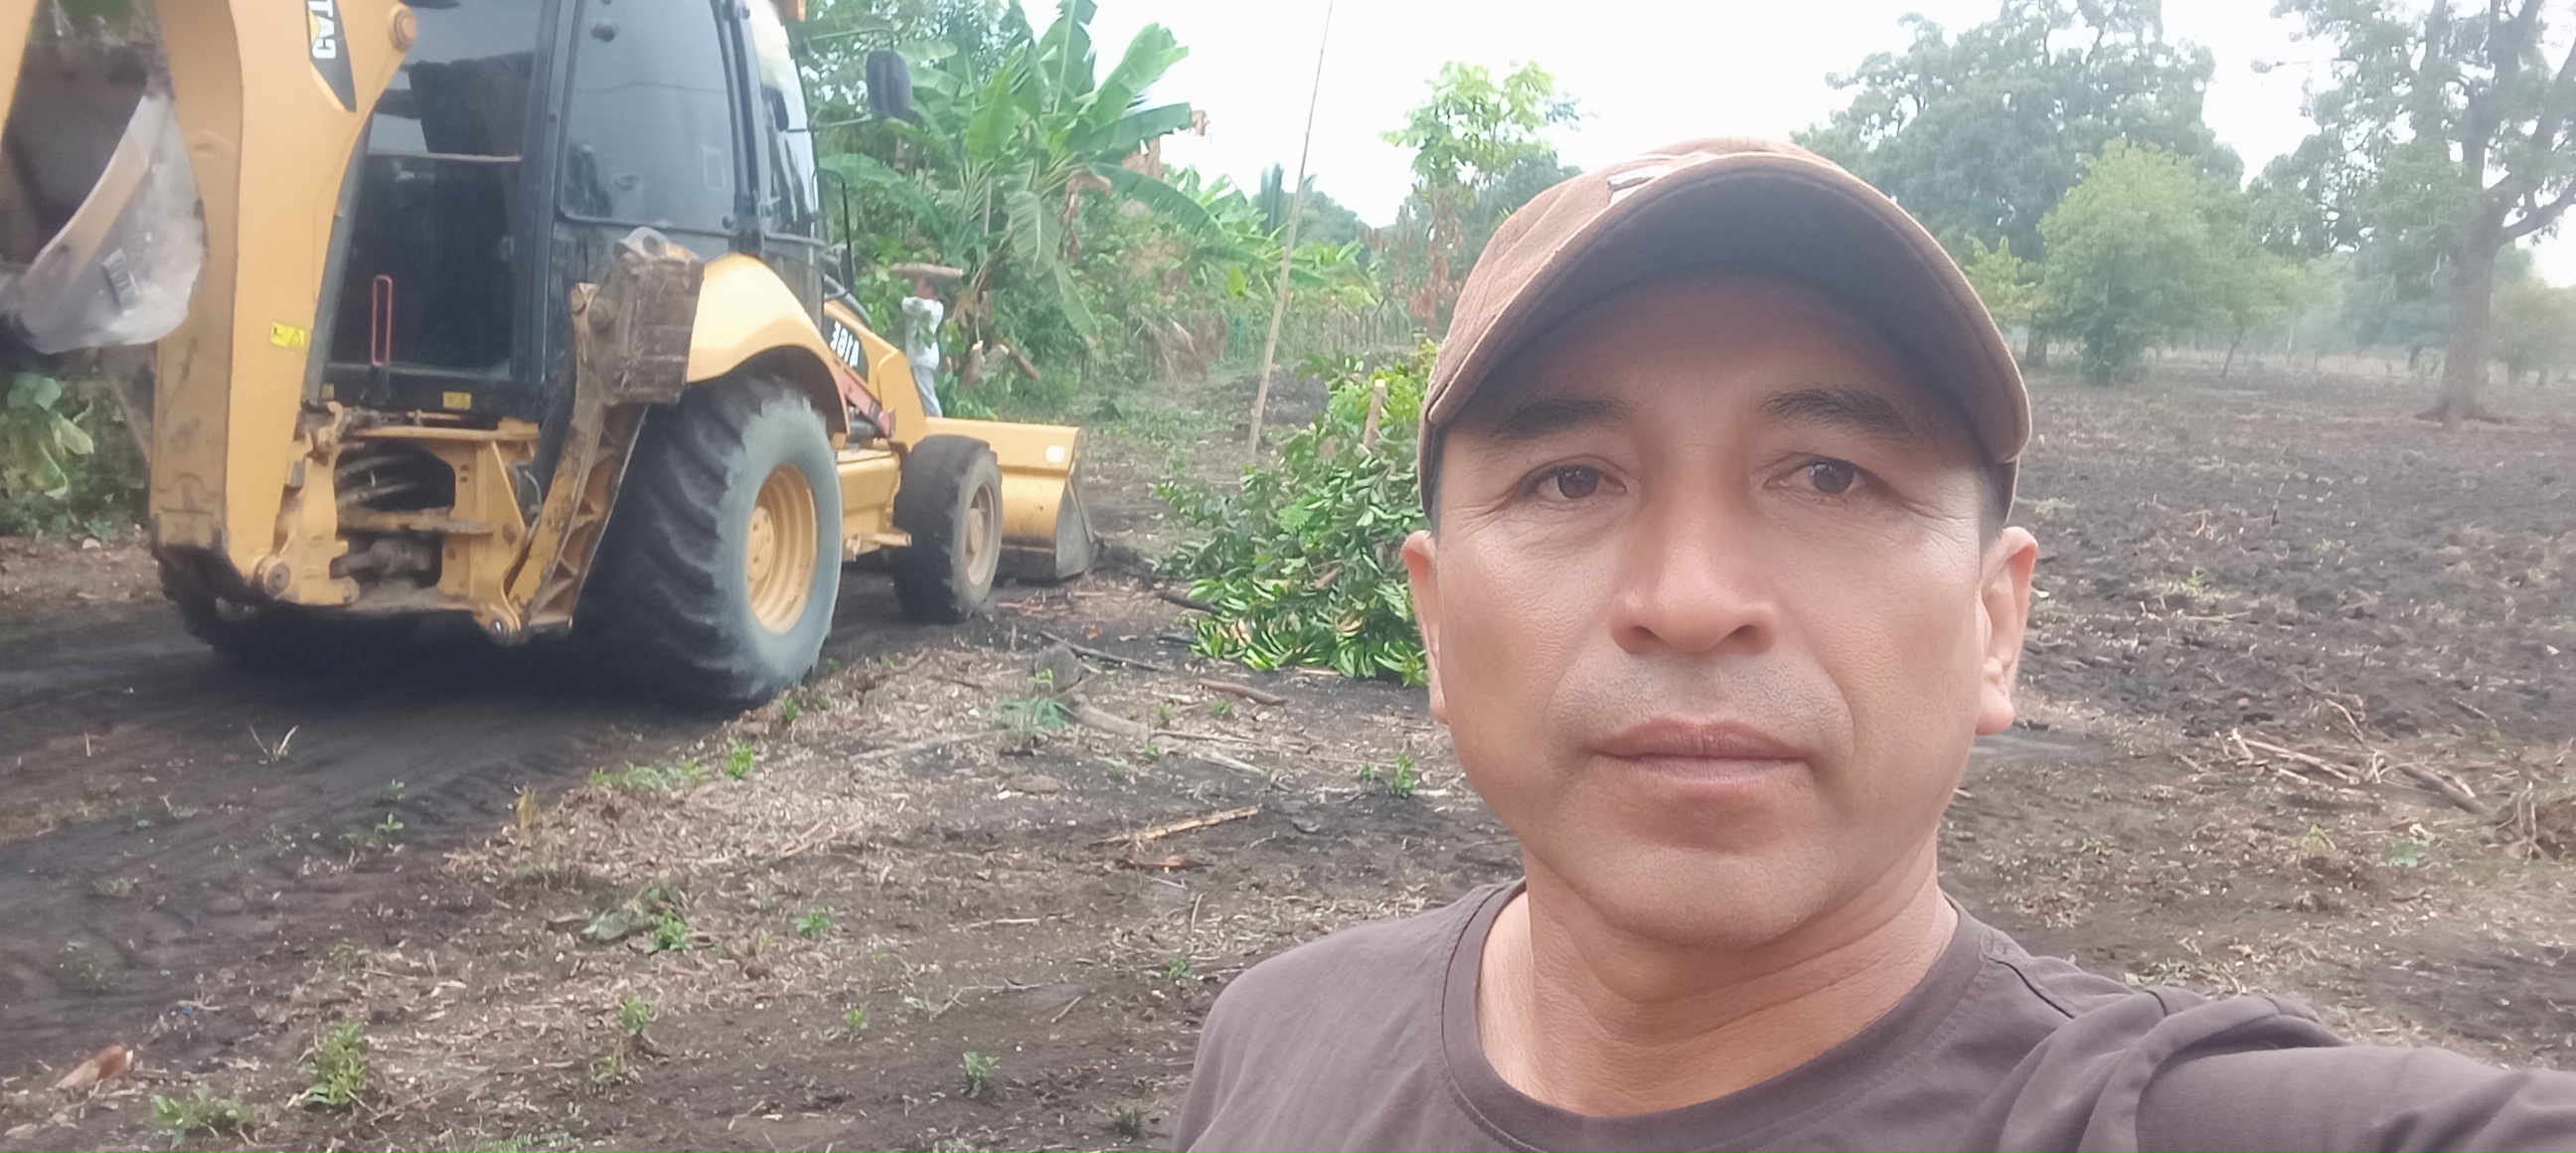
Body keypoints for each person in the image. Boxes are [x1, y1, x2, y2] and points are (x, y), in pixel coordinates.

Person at [1172, 138, 2576, 1152]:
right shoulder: (1276, 1044)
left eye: (1832, 475)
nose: (1691, 597)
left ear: (1993, 625)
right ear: (1433, 621)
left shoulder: (2169, 1119)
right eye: (1572, 478)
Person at [900, 275, 945, 418]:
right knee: (917, 395)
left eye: (919, 286)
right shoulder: (936, 307)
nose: (916, 289)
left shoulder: (927, 306)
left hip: (922, 358)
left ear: (929, 290)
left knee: (927, 395)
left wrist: (895, 289)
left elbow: (905, 302)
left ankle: (939, 423)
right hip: (920, 358)